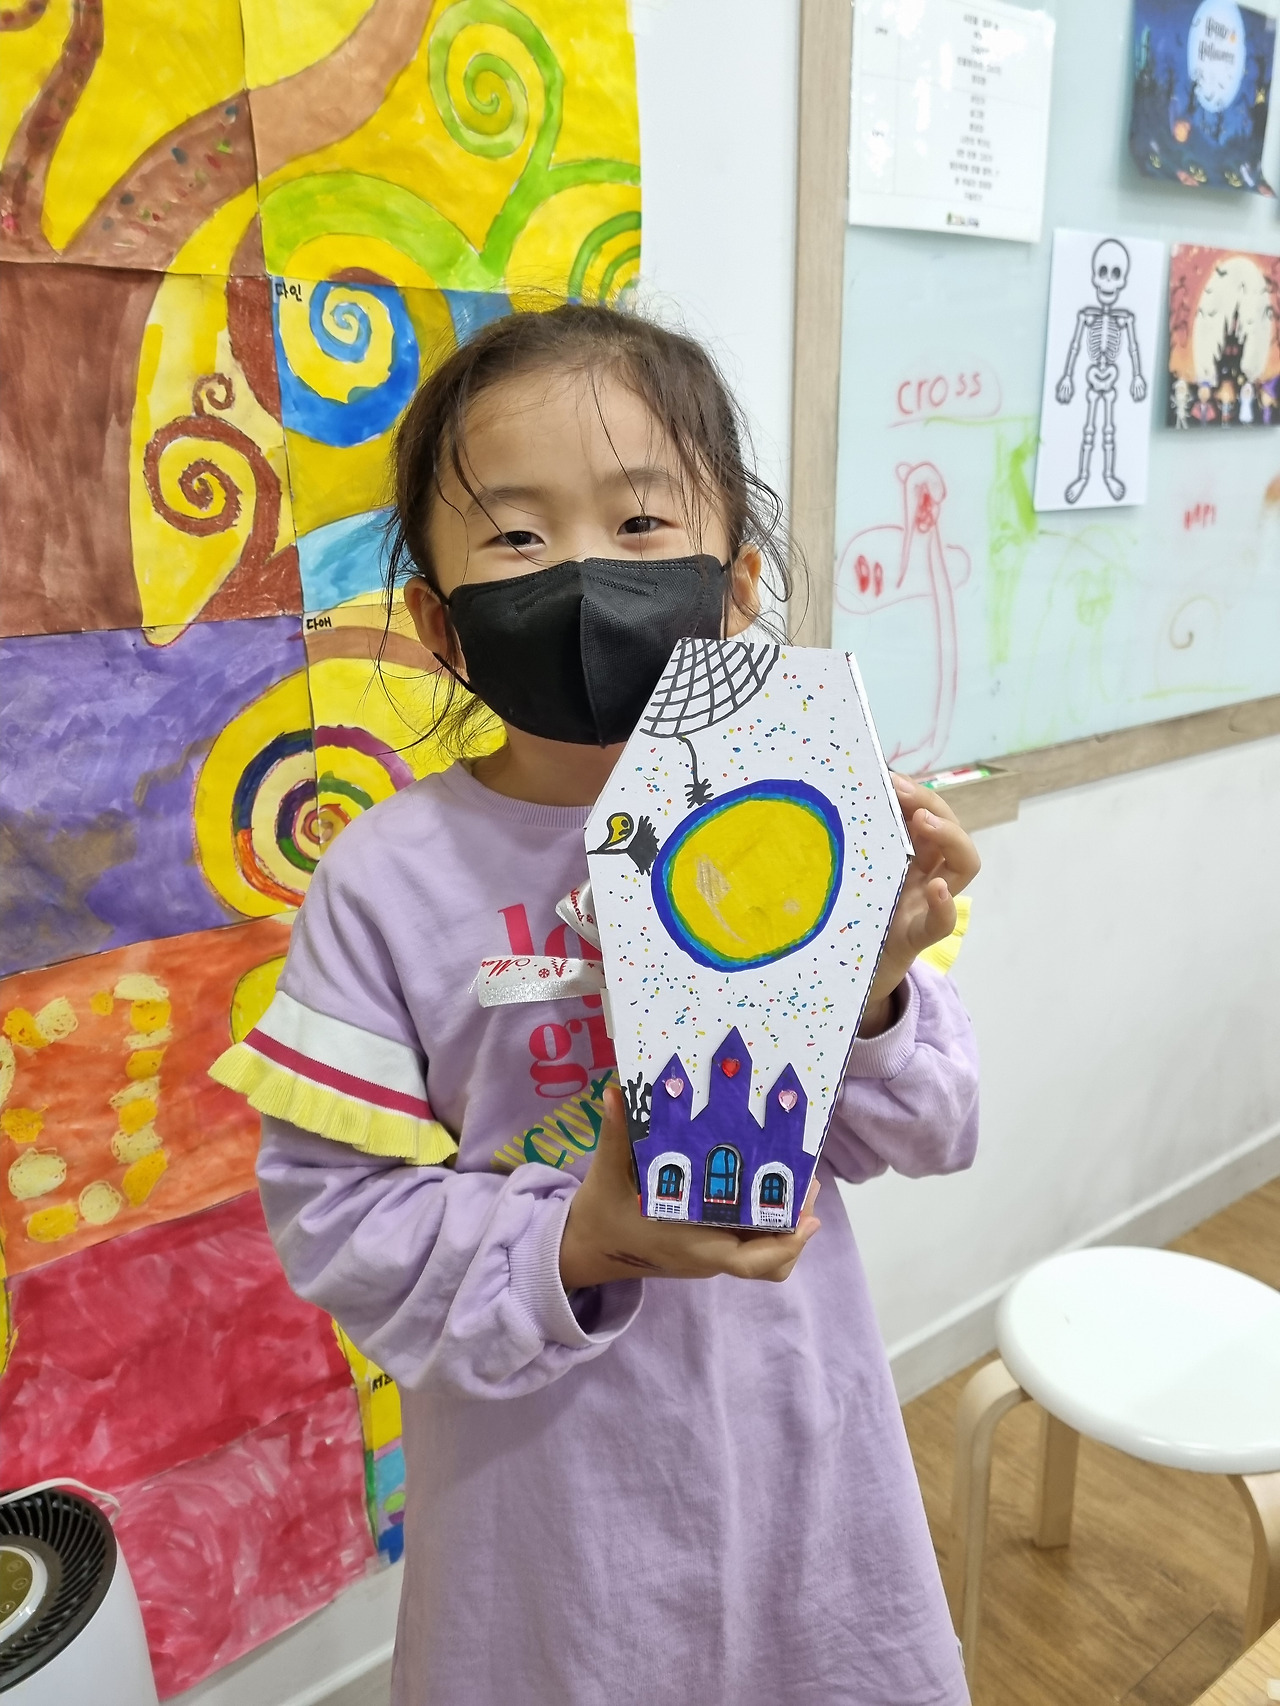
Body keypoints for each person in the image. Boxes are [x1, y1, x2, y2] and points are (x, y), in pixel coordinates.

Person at [212, 303, 982, 1705]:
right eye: (517, 536)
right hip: (548, 1505)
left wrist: (871, 985)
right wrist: (582, 1235)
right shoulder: (385, 882)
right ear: (442, 625)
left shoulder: (797, 816)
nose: (582, 573)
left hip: (798, 1446)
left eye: (639, 523)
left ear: (734, 585)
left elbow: (931, 1131)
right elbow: (334, 1216)